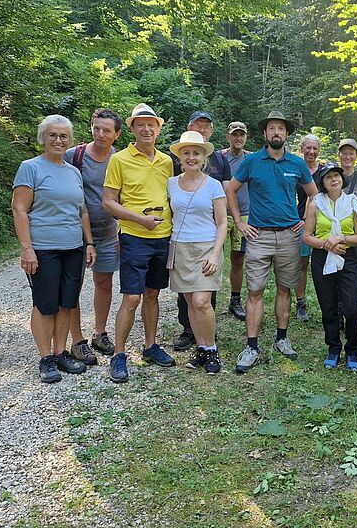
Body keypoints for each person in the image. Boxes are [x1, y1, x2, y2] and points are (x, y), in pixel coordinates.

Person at [225, 111, 318, 373]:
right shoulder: (252, 161)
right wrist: (239, 222)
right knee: (255, 291)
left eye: (281, 129)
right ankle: (252, 346)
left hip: (289, 235)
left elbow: (314, 194)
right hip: (259, 236)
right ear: (265, 133)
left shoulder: (297, 164)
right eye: (272, 128)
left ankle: (281, 338)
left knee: (285, 288)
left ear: (286, 134)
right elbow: (230, 189)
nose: (276, 133)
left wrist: (304, 221)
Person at [12, 115, 95, 383]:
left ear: (70, 140)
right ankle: (45, 358)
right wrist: (27, 249)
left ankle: (60, 353)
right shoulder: (30, 167)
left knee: (67, 302)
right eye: (52, 135)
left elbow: (82, 211)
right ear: (43, 138)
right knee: (45, 304)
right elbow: (19, 209)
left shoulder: (73, 172)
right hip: (43, 248)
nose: (58, 140)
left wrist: (89, 242)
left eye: (63, 136)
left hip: (74, 247)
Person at [103, 103, 175, 383]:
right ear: (132, 129)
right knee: (132, 297)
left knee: (153, 294)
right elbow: (108, 202)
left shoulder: (167, 161)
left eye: (151, 124)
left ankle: (150, 346)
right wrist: (139, 219)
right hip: (134, 236)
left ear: (158, 129)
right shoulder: (119, 160)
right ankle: (119, 354)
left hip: (163, 236)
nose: (146, 129)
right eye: (140, 124)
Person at [64, 109, 121, 364]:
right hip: (75, 235)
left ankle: (100, 333)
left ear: (117, 134)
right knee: (72, 286)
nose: (100, 134)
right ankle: (78, 341)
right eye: (96, 128)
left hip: (108, 233)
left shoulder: (120, 159)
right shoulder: (73, 156)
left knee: (104, 282)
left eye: (106, 130)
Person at [171, 111, 232, 352]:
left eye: (196, 153)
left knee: (201, 301)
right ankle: (201, 349)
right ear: (180, 157)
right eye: (186, 153)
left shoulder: (214, 185)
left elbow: (222, 222)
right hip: (180, 249)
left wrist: (215, 254)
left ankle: (212, 349)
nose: (191, 157)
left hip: (207, 248)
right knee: (190, 303)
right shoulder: (171, 184)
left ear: (204, 157)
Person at [303, 162, 357, 370]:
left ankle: (352, 350)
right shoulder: (315, 204)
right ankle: (333, 349)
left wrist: (341, 239)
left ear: (342, 179)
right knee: (329, 306)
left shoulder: (352, 203)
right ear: (322, 182)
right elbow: (307, 236)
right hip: (322, 257)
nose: (334, 179)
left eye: (337, 176)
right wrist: (327, 244)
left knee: (352, 309)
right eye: (328, 177)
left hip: (346, 257)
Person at [222, 121, 253, 321]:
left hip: (244, 214)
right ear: (228, 136)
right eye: (235, 134)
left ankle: (235, 299)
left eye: (242, 135)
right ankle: (208, 298)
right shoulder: (219, 157)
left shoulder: (251, 158)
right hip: (220, 214)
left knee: (238, 258)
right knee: (213, 256)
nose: (238, 138)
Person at [294, 133, 324, 322]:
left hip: (323, 223)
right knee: (302, 264)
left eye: (315, 148)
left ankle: (330, 304)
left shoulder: (324, 171)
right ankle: (301, 303)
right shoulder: (295, 169)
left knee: (324, 264)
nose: (311, 151)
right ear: (302, 149)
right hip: (300, 223)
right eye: (308, 148)